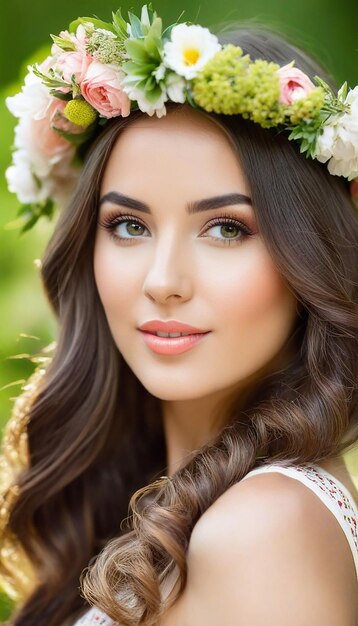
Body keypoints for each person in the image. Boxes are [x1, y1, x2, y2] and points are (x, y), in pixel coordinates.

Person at [1, 5, 357, 626]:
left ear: (308, 255)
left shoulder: (264, 531)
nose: (163, 282)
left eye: (225, 228)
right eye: (129, 225)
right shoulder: (169, 504)